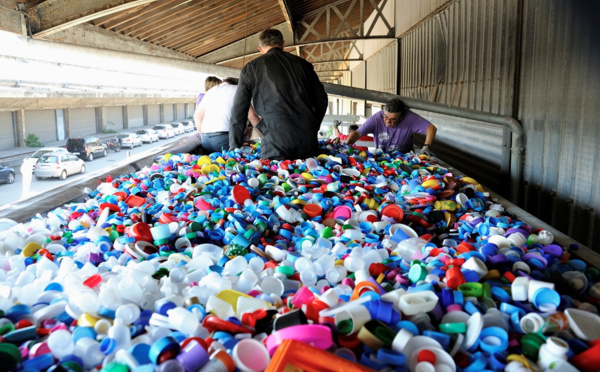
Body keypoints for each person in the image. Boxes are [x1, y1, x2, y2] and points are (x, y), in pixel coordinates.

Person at [229, 28, 328, 160]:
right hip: (306, 139)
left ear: (260, 49)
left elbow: (239, 110)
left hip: (274, 140)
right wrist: (312, 125)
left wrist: (234, 147)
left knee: (274, 177)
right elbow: (322, 100)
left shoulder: (251, 68)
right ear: (283, 44)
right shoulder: (304, 65)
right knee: (307, 178)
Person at [346, 98, 437, 155]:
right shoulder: (377, 118)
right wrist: (346, 146)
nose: (387, 121)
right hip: (382, 154)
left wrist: (426, 147)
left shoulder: (410, 118)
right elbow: (357, 133)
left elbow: (431, 128)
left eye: (393, 119)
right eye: (385, 116)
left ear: (401, 118)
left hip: (403, 154)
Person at [193, 77, 259, 154]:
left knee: (214, 165)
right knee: (233, 163)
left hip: (206, 139)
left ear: (223, 81)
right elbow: (252, 116)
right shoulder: (238, 89)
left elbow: (197, 116)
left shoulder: (210, 91)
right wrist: (264, 136)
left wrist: (203, 136)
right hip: (224, 138)